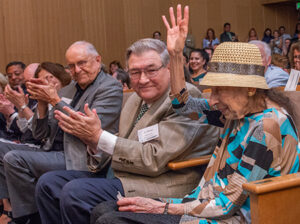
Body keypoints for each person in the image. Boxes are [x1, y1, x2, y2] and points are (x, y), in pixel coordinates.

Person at [91, 5, 300, 224]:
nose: (212, 100)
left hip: (231, 217)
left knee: (112, 220)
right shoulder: (233, 113)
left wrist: (163, 207)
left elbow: (227, 205)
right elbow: (182, 105)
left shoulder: (268, 126)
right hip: (203, 202)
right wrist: (175, 55)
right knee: (104, 210)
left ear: (249, 89)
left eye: (219, 90)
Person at [35, 38, 219, 224]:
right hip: (124, 172)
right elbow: (123, 141)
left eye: (151, 70)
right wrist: (93, 141)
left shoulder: (185, 97)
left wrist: (99, 136)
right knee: (48, 183)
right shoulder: (134, 100)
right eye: (135, 72)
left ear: (169, 68)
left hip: (162, 181)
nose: (143, 79)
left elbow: (154, 159)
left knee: (76, 192)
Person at [2, 41, 123, 223]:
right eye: (72, 66)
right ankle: (27, 215)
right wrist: (42, 103)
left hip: (79, 156)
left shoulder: (109, 87)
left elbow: (85, 127)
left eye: (82, 63)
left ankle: (29, 218)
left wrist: (54, 99)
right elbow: (39, 134)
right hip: (52, 149)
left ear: (98, 60)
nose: (77, 70)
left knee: (15, 159)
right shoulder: (69, 89)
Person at [0, 62, 71, 224]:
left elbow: (33, 133)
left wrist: (19, 107)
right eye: (36, 80)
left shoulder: (68, 95)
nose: (43, 83)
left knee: (13, 158)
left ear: (61, 77)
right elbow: (36, 131)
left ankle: (26, 216)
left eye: (49, 78)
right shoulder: (35, 94)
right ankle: (10, 208)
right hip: (41, 144)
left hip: (58, 150)